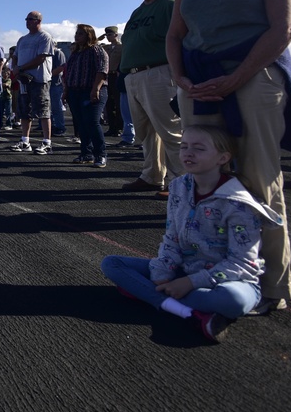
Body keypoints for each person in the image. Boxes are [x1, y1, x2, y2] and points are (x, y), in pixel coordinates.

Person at [167, 0, 291, 313]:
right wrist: (182, 79)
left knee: (260, 179)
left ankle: (274, 287)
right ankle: (207, 271)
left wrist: (236, 78)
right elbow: (175, 35)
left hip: (254, 76)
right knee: (201, 179)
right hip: (199, 84)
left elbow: (284, 27)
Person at [101, 125, 280, 342]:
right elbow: (172, 237)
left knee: (234, 301)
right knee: (112, 263)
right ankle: (188, 311)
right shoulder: (178, 187)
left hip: (228, 281)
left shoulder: (238, 203)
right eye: (184, 146)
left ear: (223, 157)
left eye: (198, 148)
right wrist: (162, 274)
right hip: (183, 269)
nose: (188, 153)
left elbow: (241, 263)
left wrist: (189, 283)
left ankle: (150, 295)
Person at [120, 0, 183, 199]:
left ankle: (181, 182)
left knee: (170, 130)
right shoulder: (137, 12)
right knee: (147, 132)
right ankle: (152, 176)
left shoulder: (168, 5)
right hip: (135, 75)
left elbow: (181, 36)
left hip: (159, 71)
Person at [63, 25, 109, 167]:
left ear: (89, 35)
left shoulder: (96, 50)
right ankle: (86, 153)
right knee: (81, 124)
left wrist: (95, 89)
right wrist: (66, 91)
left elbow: (102, 70)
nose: (77, 36)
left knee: (92, 122)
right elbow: (68, 72)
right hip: (74, 91)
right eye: (76, 33)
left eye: (81, 34)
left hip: (91, 90)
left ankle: (100, 154)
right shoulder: (75, 53)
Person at [10, 11, 55, 155]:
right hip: (24, 80)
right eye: (26, 19)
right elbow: (15, 56)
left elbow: (41, 58)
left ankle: (47, 143)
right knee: (24, 110)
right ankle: (25, 141)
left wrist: (21, 68)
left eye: (30, 19)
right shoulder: (22, 39)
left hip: (39, 80)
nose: (27, 21)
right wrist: (17, 68)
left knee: (43, 110)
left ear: (38, 21)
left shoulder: (44, 37)